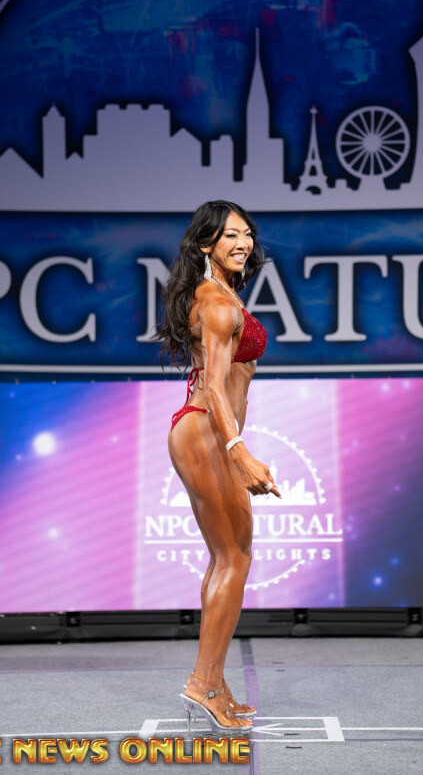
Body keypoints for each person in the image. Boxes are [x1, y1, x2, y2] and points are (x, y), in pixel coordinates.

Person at [156, 200, 281, 737]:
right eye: (230, 234)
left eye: (247, 233)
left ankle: (213, 682)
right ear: (206, 243)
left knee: (226, 557)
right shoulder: (214, 302)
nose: (243, 242)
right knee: (235, 557)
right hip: (207, 431)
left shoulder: (222, 294)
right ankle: (203, 685)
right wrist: (239, 450)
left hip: (204, 430)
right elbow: (212, 385)